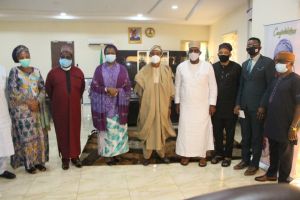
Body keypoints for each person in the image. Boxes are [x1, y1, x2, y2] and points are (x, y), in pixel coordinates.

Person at [255, 51, 300, 183]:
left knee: (285, 154)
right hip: (272, 121)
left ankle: (283, 181)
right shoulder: (276, 77)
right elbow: (268, 93)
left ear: (290, 64)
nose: (277, 64)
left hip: (286, 124)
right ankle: (271, 174)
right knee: (273, 150)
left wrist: (293, 126)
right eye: (276, 61)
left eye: (281, 62)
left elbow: (299, 105)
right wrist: (262, 106)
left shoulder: (296, 80)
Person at [234, 37, 276, 175]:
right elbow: (241, 86)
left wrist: (263, 106)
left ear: (260, 47)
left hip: (258, 108)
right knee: (245, 136)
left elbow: (270, 86)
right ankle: (245, 160)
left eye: (254, 44)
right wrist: (238, 104)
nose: (251, 46)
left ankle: (254, 164)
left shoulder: (268, 63)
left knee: (256, 137)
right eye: (249, 44)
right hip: (244, 107)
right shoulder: (245, 64)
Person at [7, 45, 50, 174]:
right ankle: (29, 164)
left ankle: (40, 162)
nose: (25, 58)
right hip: (22, 112)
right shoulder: (14, 72)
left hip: (37, 110)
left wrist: (37, 101)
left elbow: (43, 88)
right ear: (17, 59)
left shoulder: (36, 71)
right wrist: (28, 102)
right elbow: (12, 91)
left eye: (27, 56)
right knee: (27, 138)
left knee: (40, 136)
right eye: (22, 57)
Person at [175, 41, 217, 167]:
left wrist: (212, 104)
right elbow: (177, 86)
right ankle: (185, 154)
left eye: (196, 50)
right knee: (186, 130)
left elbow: (213, 86)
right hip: (186, 105)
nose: (193, 53)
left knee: (202, 130)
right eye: (191, 50)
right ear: (188, 52)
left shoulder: (208, 66)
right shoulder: (181, 67)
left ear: (200, 52)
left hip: (203, 106)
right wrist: (177, 102)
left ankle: (202, 155)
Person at [135, 45, 176, 166]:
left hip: (162, 106)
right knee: (148, 129)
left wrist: (169, 107)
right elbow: (139, 90)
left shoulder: (167, 70)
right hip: (147, 106)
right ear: (149, 55)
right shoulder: (143, 71)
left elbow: (171, 91)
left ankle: (161, 154)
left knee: (161, 129)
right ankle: (146, 155)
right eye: (152, 53)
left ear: (161, 56)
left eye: (157, 53)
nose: (155, 56)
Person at [90, 44, 131, 165]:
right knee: (106, 133)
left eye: (112, 52)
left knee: (118, 133)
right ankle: (107, 155)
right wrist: (107, 89)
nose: (110, 54)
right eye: (108, 52)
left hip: (119, 107)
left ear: (116, 54)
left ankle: (117, 153)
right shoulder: (99, 69)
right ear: (104, 54)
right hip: (104, 108)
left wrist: (118, 91)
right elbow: (94, 87)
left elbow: (128, 86)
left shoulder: (122, 69)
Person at [45, 46, 85, 170]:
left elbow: (81, 89)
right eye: (63, 56)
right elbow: (49, 90)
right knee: (62, 132)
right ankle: (65, 158)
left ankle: (75, 157)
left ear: (72, 58)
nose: (65, 59)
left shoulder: (78, 72)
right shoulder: (52, 73)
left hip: (74, 109)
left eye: (68, 57)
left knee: (74, 131)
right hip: (59, 109)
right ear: (59, 57)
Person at [211, 43, 241, 167]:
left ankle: (228, 156)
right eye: (221, 52)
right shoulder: (212, 67)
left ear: (230, 53)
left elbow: (240, 87)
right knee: (217, 132)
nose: (223, 54)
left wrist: (238, 104)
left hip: (231, 107)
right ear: (218, 53)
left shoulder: (237, 67)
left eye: (225, 52)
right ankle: (218, 154)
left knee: (230, 133)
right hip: (216, 106)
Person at [0, 65, 16, 179]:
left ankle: (2, 169)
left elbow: (7, 91)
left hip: (2, 111)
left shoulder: (2, 69)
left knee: (3, 141)